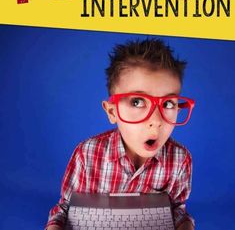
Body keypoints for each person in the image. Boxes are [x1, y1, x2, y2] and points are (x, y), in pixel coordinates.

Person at [46, 38, 195, 230]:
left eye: (168, 104)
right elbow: (65, 208)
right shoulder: (86, 154)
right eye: (137, 102)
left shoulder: (180, 160)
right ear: (112, 112)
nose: (156, 121)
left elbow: (177, 209)